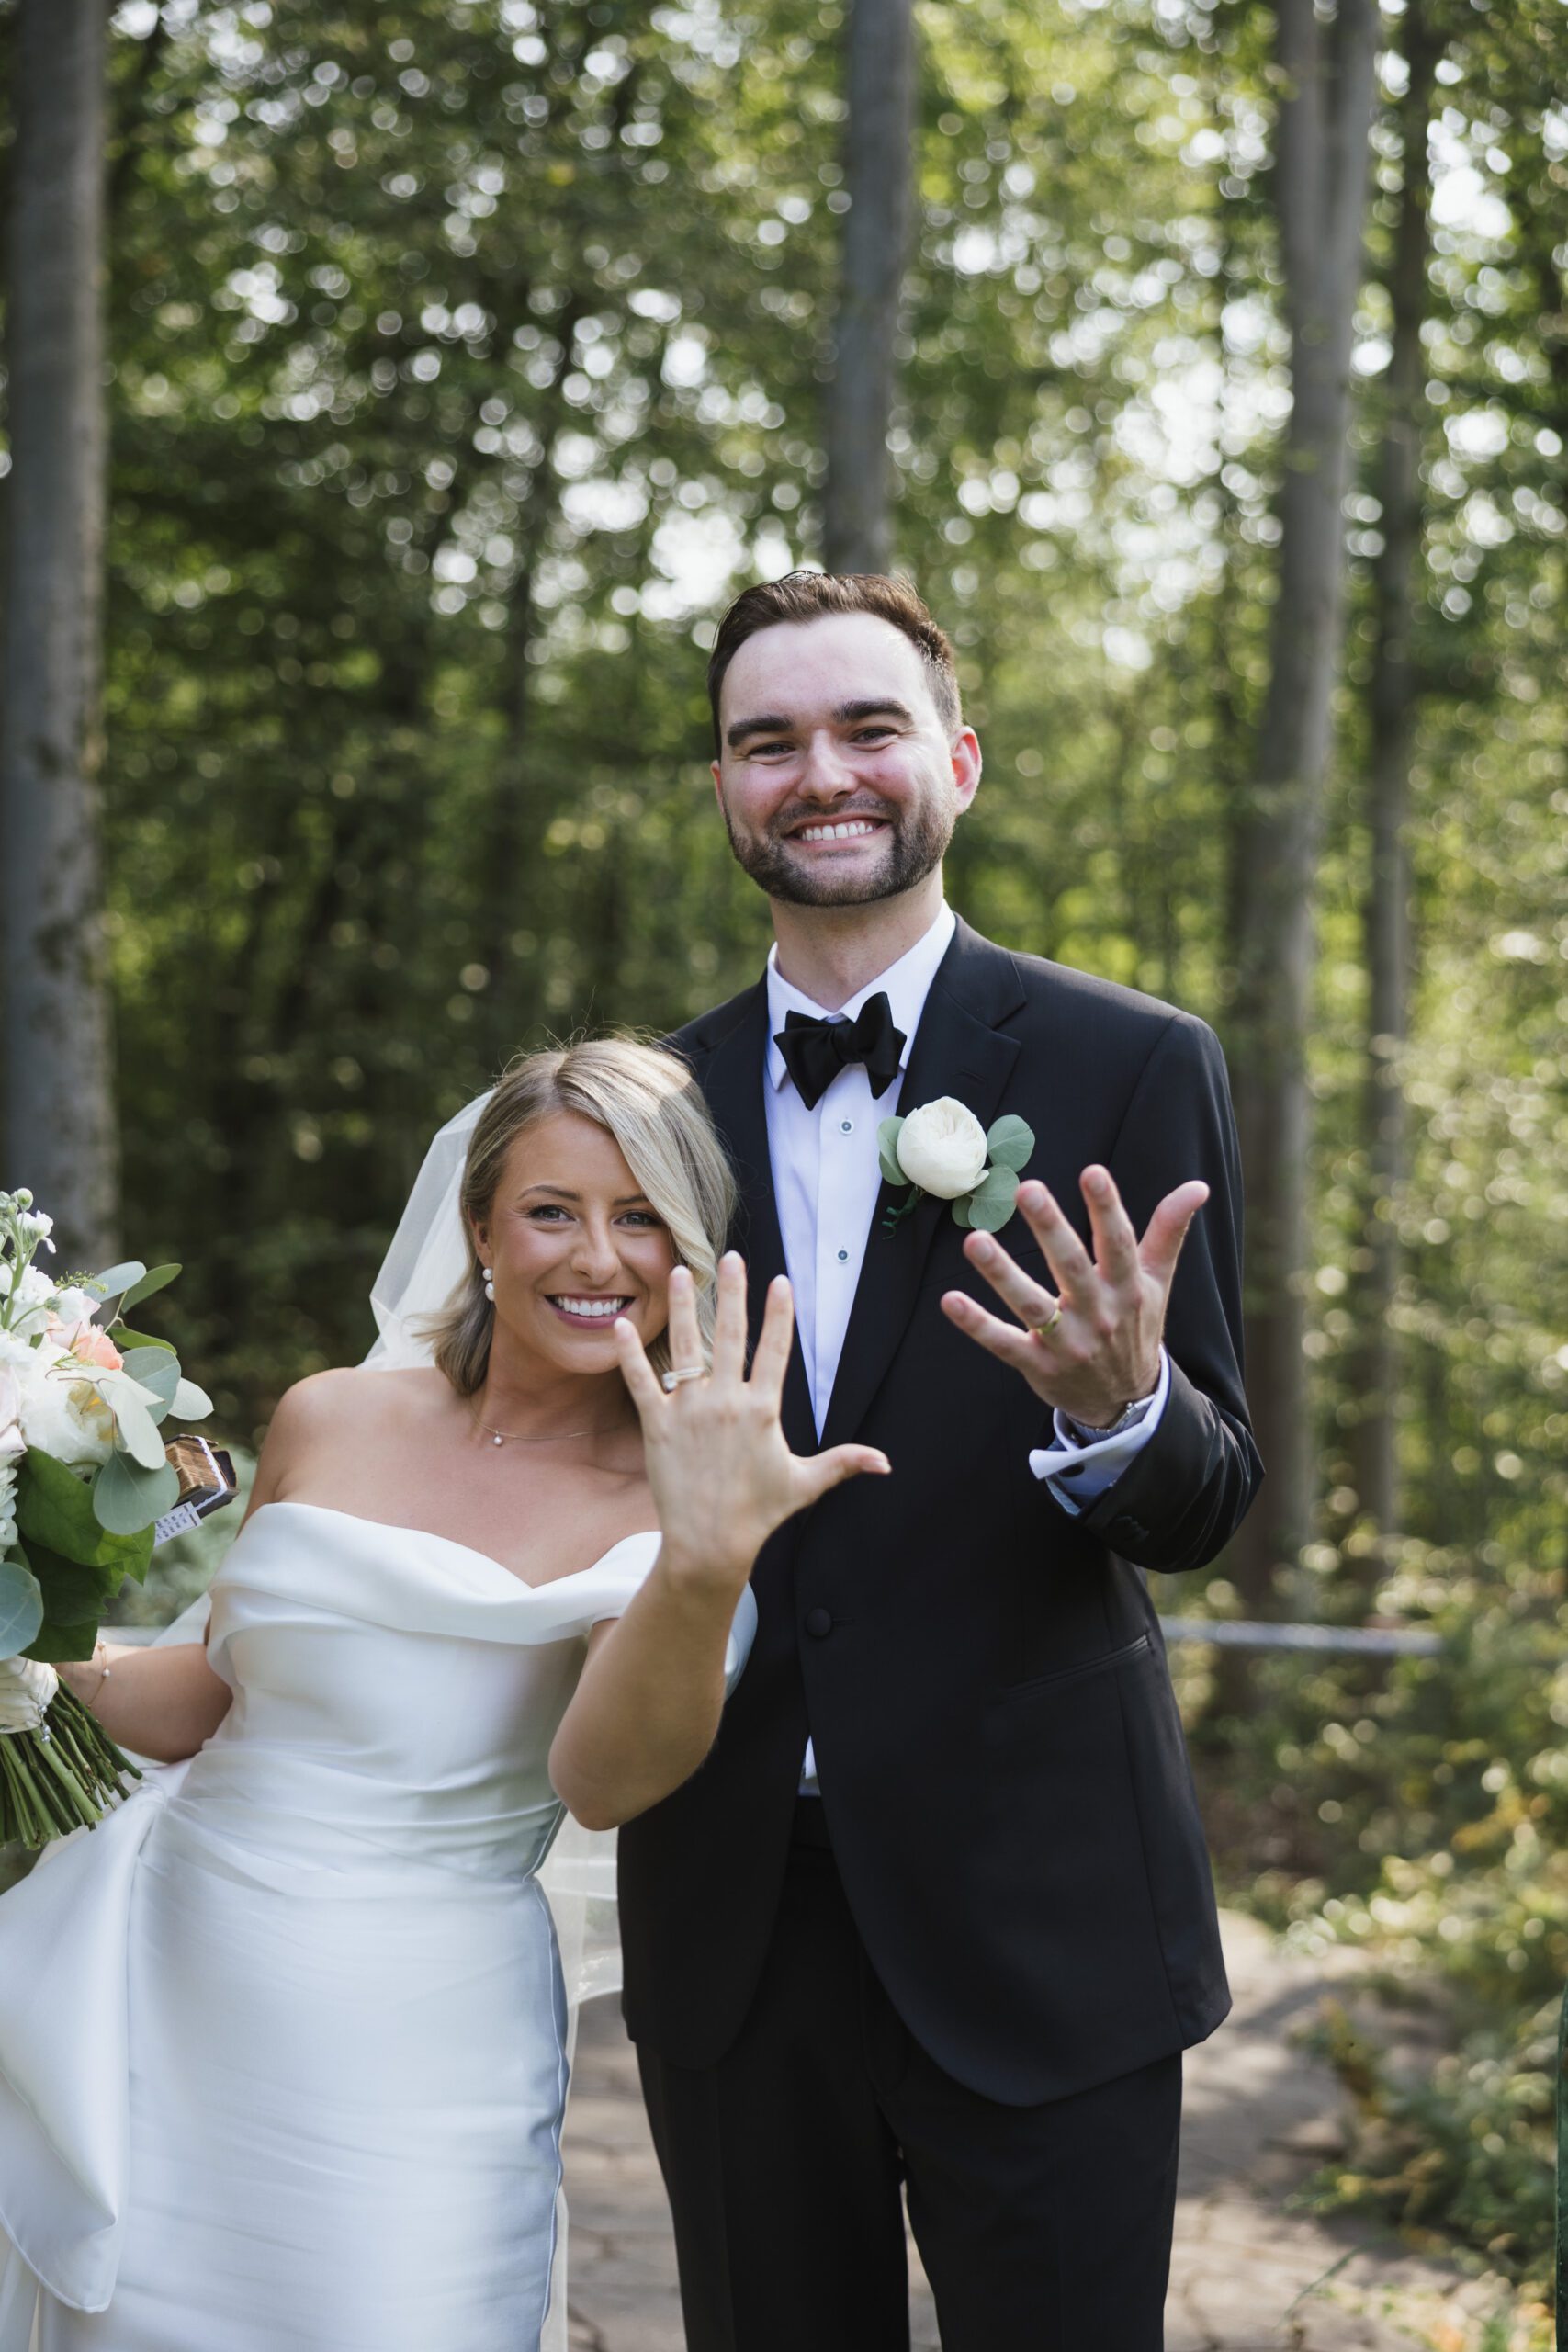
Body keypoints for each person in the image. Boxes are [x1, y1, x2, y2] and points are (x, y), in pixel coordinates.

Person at [0, 1040, 887, 2352]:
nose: (598, 1257)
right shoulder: (329, 1416)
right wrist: (33, 1657)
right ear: (480, 1228)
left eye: (641, 1217)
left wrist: (705, 1564)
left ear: (688, 1250)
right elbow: (207, 1694)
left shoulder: (680, 1498)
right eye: (553, 1211)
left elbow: (605, 1781)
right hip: (169, 1995)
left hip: (424, 2051)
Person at [619, 571, 1265, 2352]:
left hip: (1045, 1908)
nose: (819, 772)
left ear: (956, 764)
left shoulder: (1132, 1061)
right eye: (767, 741)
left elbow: (1209, 1494)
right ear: (724, 787)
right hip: (735, 1913)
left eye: (867, 727)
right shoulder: (644, 1110)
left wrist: (1119, 1408)